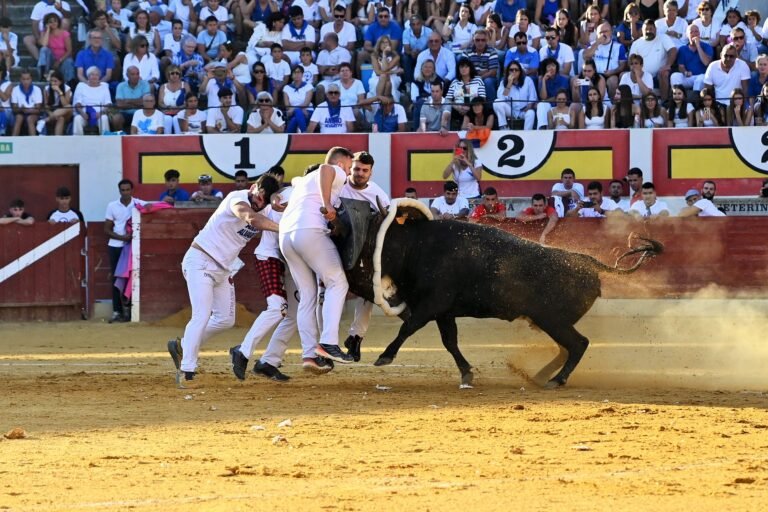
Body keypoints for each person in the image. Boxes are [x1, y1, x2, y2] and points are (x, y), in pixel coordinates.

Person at [167, 175, 280, 387]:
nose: (259, 203)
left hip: (223, 268)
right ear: (254, 187)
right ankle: (187, 371)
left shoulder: (264, 207)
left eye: (264, 201)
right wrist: (283, 228)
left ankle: (183, 346)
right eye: (259, 197)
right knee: (201, 315)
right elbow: (252, 219)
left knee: (226, 319)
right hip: (200, 261)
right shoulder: (236, 198)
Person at [278, 146, 356, 363]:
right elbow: (325, 169)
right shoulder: (334, 170)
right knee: (338, 283)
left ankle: (310, 354)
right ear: (341, 163)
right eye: (349, 167)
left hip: (286, 237)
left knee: (307, 296)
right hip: (309, 231)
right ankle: (329, 343)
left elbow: (293, 181)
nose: (349, 173)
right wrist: (327, 203)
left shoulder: (303, 181)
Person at [338, 151, 391, 362]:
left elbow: (387, 224)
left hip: (359, 250)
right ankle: (321, 344)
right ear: (350, 168)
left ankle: (355, 337)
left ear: (370, 172)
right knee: (323, 294)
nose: (359, 174)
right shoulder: (338, 185)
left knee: (368, 293)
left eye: (364, 171)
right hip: (330, 246)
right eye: (357, 169)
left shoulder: (377, 194)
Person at [104, 180, 147, 323]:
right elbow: (107, 229)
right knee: (117, 279)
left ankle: (129, 311)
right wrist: (123, 237)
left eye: (128, 189)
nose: (125, 192)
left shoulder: (138, 204)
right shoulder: (112, 206)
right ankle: (117, 311)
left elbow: (153, 207)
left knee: (131, 278)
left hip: (131, 247)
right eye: (123, 190)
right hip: (116, 246)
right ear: (119, 191)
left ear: (132, 190)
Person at [629, 19, 677, 101]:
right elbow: (631, 60)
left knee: (664, 73)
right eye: (646, 29)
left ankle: (664, 102)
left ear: (655, 30)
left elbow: (673, 50)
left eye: (651, 29)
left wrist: (667, 65)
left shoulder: (663, 38)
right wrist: (637, 71)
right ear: (642, 31)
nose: (648, 31)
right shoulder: (636, 43)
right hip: (642, 74)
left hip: (659, 73)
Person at [670, 24, 713, 94]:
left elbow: (706, 62)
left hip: (700, 76)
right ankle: (677, 96)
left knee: (701, 78)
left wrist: (698, 45)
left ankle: (694, 99)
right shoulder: (683, 49)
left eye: (696, 32)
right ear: (687, 35)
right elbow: (681, 66)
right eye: (691, 32)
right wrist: (685, 72)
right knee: (674, 76)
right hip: (688, 77)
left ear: (699, 34)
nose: (694, 34)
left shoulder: (707, 47)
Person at [495, 60, 536, 130]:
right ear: (508, 71)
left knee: (531, 113)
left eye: (516, 70)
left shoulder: (528, 80)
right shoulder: (503, 82)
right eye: (511, 70)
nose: (514, 72)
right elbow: (501, 99)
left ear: (520, 72)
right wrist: (509, 84)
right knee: (496, 102)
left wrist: (528, 107)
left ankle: (527, 134)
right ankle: (504, 127)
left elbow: (533, 97)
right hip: (511, 111)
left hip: (523, 110)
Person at [72, 65, 113, 135]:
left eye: (97, 75)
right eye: (92, 75)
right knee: (77, 119)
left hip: (99, 114)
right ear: (88, 76)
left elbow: (108, 103)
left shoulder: (104, 86)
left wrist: (100, 113)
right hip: (85, 114)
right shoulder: (81, 86)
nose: (94, 77)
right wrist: (82, 113)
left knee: (104, 118)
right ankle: (77, 142)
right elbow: (77, 103)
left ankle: (106, 141)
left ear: (99, 77)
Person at [10, 69, 43, 137]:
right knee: (19, 118)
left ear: (31, 79)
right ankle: (13, 140)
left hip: (33, 114)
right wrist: (21, 109)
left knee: (29, 119)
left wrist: (28, 110)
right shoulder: (15, 89)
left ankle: (33, 141)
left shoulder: (37, 89)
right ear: (20, 79)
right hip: (20, 113)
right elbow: (14, 109)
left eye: (28, 79)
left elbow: (38, 110)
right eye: (23, 79)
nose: (25, 81)